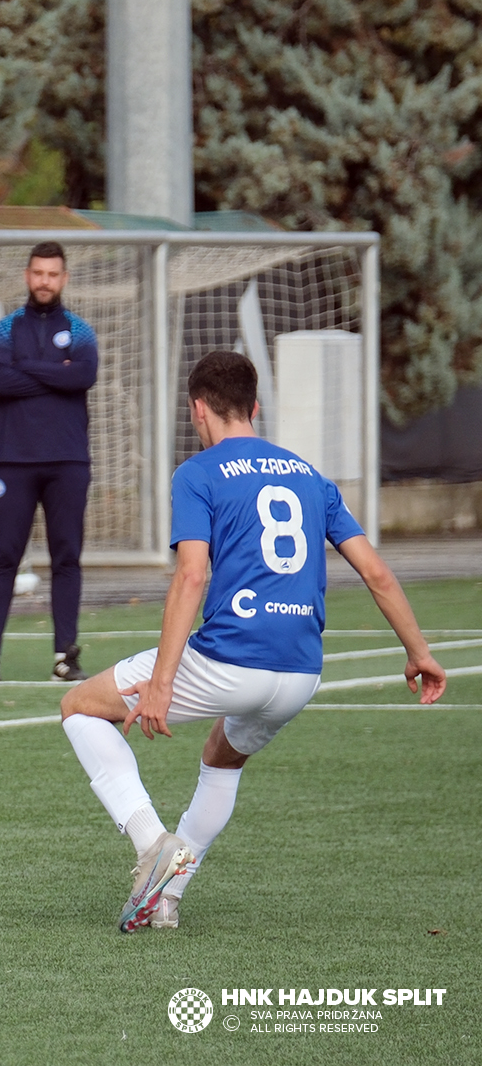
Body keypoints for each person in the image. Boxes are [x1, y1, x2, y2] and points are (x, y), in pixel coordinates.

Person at [59, 351, 446, 933]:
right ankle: (165, 897)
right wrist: (419, 652)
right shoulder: (312, 476)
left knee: (80, 709)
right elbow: (377, 573)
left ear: (197, 409)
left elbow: (192, 575)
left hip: (228, 660)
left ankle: (149, 843)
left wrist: (161, 684)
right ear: (254, 406)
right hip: (301, 674)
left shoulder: (199, 473)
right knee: (223, 757)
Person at [0, 241, 98, 682]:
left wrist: (26, 370)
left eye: (53, 274)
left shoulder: (80, 330)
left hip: (68, 461)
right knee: (3, 555)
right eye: (38, 273)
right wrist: (54, 374)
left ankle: (66, 654)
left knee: (67, 557)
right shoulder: (5, 330)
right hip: (14, 461)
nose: (45, 281)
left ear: (63, 279)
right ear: (27, 276)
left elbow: (84, 375)